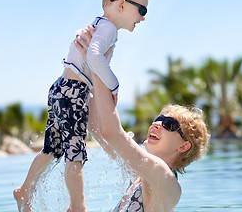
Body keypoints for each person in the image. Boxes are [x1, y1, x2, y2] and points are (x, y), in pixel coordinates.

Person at [13, 0, 150, 212]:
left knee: (51, 150)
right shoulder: (108, 29)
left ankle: (25, 189)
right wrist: (114, 85)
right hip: (74, 93)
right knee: (75, 156)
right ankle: (78, 206)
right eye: (141, 9)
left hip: (60, 88)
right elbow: (94, 57)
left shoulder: (97, 24)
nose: (143, 17)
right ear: (121, 5)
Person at [75, 30, 210, 211]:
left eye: (169, 125)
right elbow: (98, 129)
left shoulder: (164, 178)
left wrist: (96, 62)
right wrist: (87, 71)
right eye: (159, 119)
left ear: (183, 146)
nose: (157, 124)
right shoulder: (140, 173)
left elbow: (112, 133)